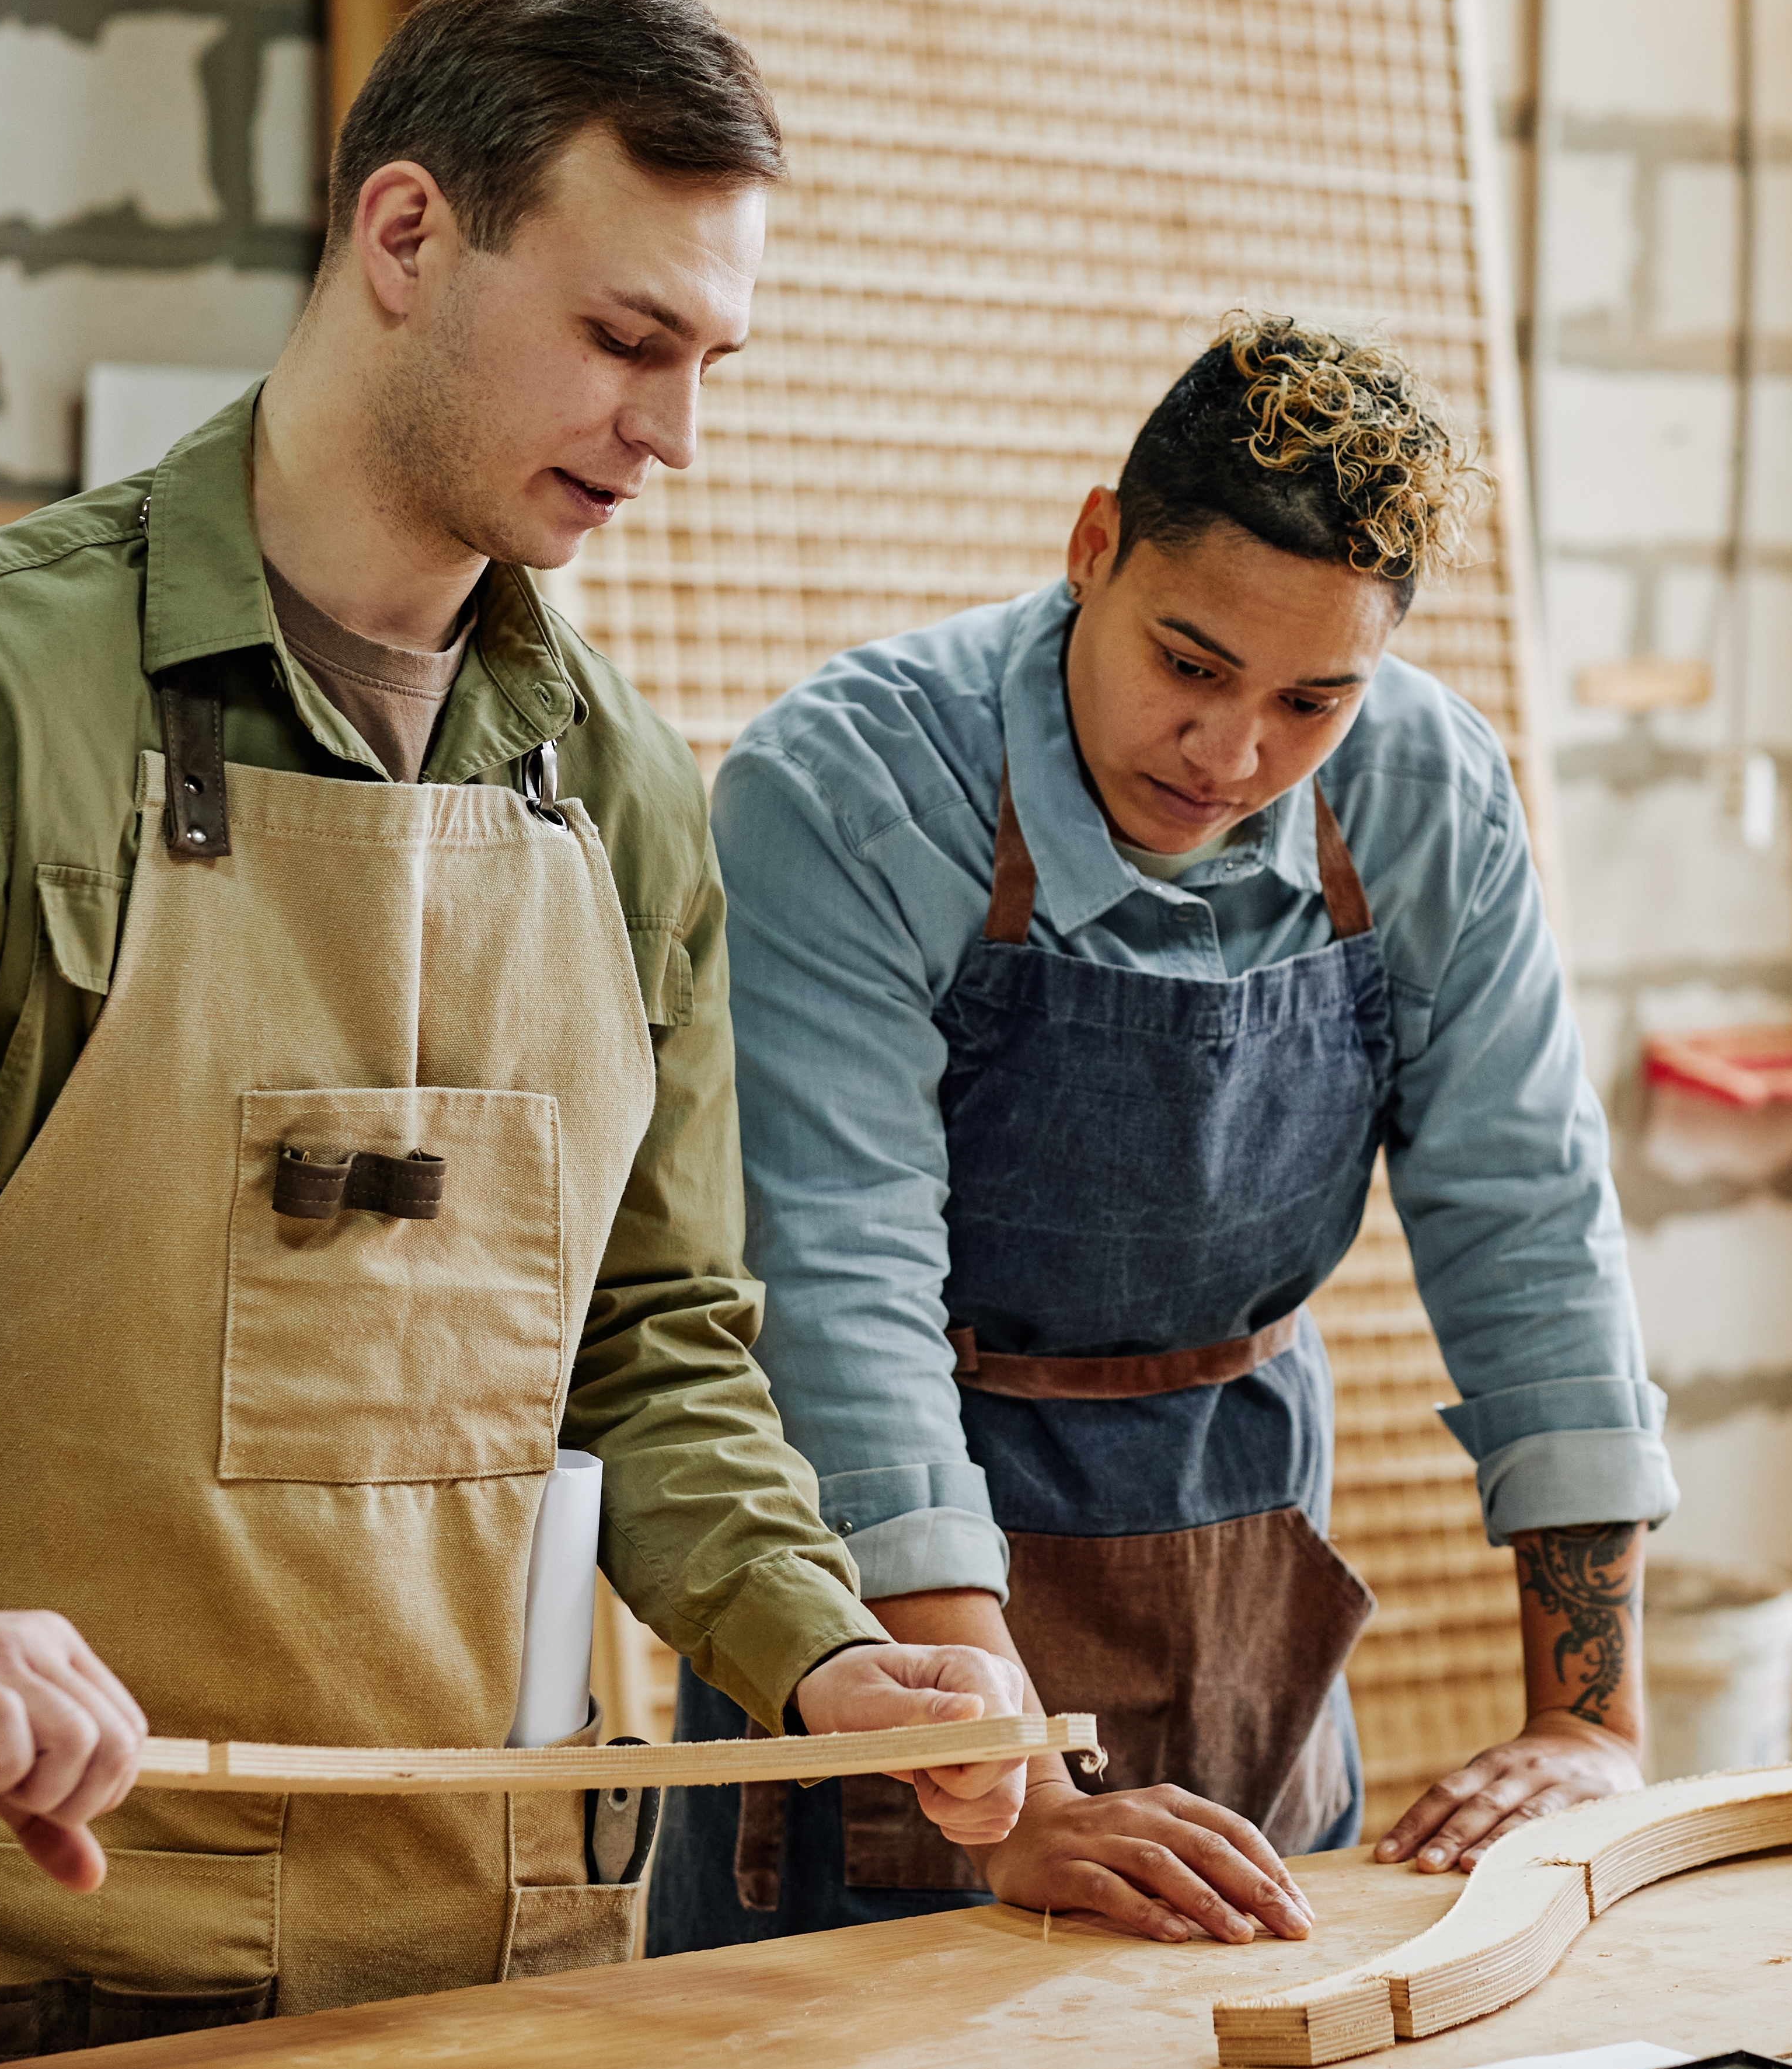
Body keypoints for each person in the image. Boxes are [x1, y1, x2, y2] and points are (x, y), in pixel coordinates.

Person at [0, 0, 1032, 2069]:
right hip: (32, 1994)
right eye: (622, 340)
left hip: (515, 1994)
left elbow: (651, 1345)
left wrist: (818, 1652)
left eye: (708, 361)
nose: (672, 433)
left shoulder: (627, 796)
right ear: (407, 237)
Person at [647, 313, 1676, 1955]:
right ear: (1093, 548)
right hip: (888, 1605)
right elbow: (841, 1293)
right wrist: (1017, 1792)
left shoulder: (1427, 791)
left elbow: (1532, 1225)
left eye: (1312, 701)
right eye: (1191, 666)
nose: (1233, 753)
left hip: (1244, 1551)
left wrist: (1590, 1727)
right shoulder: (849, 793)